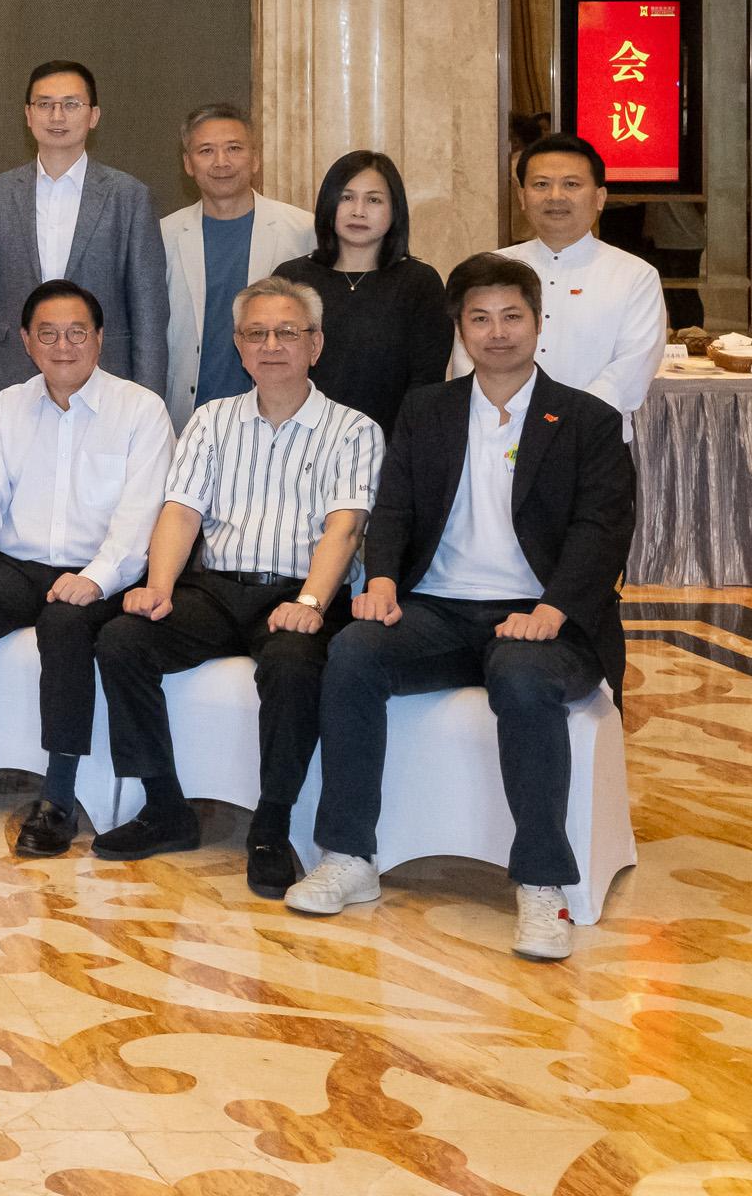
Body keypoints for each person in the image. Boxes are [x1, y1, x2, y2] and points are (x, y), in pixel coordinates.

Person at [289, 253, 637, 961]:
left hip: (544, 617)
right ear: (460, 329)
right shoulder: (428, 409)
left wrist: (555, 610)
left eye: (512, 316)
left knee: (522, 676)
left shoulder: (587, 420)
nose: (497, 332)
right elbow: (394, 508)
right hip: (440, 610)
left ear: (539, 324)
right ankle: (350, 856)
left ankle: (543, 887)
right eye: (479, 318)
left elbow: (603, 532)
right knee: (352, 654)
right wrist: (381, 579)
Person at [92, 275, 383, 893]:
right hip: (216, 588)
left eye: (287, 332)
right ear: (238, 345)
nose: (271, 344)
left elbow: (346, 527)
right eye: (257, 333)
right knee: (122, 638)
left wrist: (310, 602)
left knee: (293, 664)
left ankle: (270, 825)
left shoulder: (354, 428)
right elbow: (181, 510)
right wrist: (161, 585)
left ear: (316, 344)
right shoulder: (211, 420)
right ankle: (164, 805)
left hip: (301, 592)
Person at [0, 280, 174, 855]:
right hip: (19, 563)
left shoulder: (140, 410)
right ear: (27, 341)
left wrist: (96, 579)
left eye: (77, 332)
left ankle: (58, 798)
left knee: (66, 627)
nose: (63, 346)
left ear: (100, 338)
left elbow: (140, 517)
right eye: (48, 334)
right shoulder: (7, 406)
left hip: (99, 570)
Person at [0, 60, 172, 404]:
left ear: (93, 115)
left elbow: (149, 310)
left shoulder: (128, 196)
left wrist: (149, 397)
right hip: (12, 373)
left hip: (107, 376)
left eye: (71, 104)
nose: (57, 116)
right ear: (28, 115)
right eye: (45, 105)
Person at [488, 133, 669, 441]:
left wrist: (558, 424)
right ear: (522, 197)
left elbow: (630, 371)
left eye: (571, 184)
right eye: (541, 184)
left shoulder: (636, 275)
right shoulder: (491, 269)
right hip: (500, 439)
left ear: (599, 198)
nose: (555, 196)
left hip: (594, 442)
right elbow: (470, 355)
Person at [161, 102, 316, 429]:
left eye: (234, 148)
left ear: (256, 158)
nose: (222, 162)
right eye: (206, 151)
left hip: (281, 416)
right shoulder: (164, 236)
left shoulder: (303, 231)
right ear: (188, 163)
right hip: (189, 419)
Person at [276, 150, 448, 437]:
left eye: (374, 200)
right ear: (328, 204)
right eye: (346, 197)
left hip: (391, 445)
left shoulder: (420, 282)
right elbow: (275, 368)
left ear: (395, 209)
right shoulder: (292, 278)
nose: (358, 211)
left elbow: (426, 384)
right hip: (302, 443)